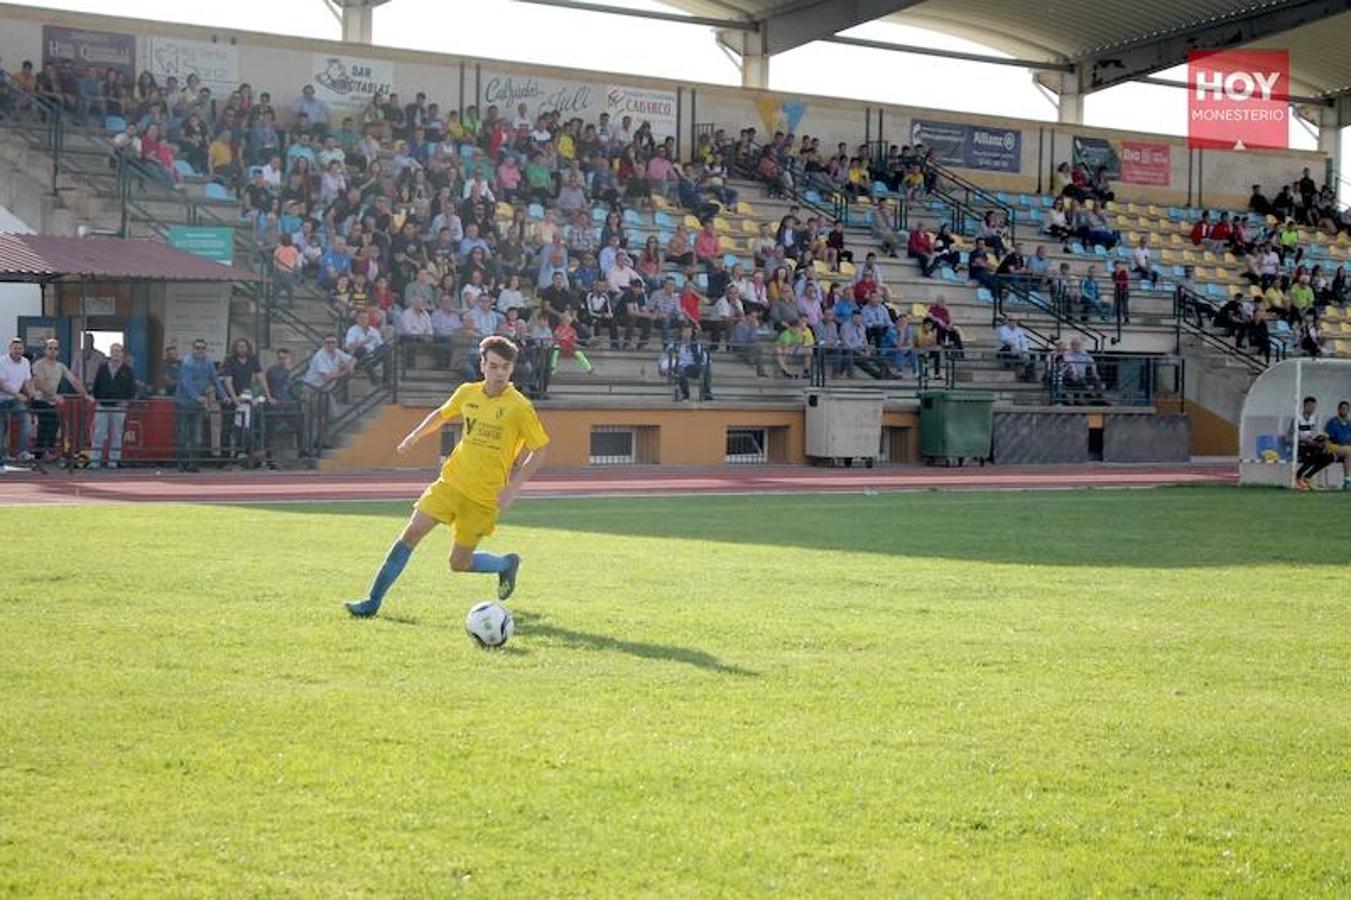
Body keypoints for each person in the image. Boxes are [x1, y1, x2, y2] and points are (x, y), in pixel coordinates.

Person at [344, 336, 549, 618]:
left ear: (512, 369)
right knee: (411, 533)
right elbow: (441, 415)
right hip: (451, 482)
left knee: (458, 563)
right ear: (482, 365)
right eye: (493, 366)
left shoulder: (519, 406)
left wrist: (513, 488)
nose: (499, 372)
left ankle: (505, 564)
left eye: (504, 367)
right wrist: (415, 435)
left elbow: (540, 450)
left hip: (484, 497)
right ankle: (371, 602)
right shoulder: (467, 392)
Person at [173, 339, 221, 472]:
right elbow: (186, 382)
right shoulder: (187, 362)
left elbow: (215, 379)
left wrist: (224, 395)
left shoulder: (209, 362)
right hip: (183, 402)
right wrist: (197, 396)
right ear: (193, 349)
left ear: (206, 349)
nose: (200, 350)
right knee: (182, 434)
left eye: (203, 348)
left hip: (198, 405)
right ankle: (181, 463)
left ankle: (193, 464)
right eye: (197, 347)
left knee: (197, 435)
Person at [89, 343, 136, 470]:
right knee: (98, 434)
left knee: (116, 434)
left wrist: (125, 401)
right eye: (113, 351)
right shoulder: (103, 368)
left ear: (122, 354)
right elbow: (96, 385)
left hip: (119, 407)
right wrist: (98, 399)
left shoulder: (127, 370)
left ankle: (113, 461)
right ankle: (94, 461)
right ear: (110, 353)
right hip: (102, 405)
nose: (116, 354)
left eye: (118, 351)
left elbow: (132, 389)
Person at [0, 337, 34, 467]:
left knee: (27, 419)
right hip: (2, 398)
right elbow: (1, 384)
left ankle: (22, 451)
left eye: (20, 348)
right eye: (15, 348)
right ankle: (2, 457)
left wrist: (32, 393)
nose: (17, 351)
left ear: (23, 350)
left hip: (15, 399)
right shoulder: (2, 361)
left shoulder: (25, 362)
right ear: (10, 349)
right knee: (1, 428)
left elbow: (27, 381)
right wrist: (17, 394)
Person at [670, 323, 713, 401]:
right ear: (681, 333)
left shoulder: (696, 345)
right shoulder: (675, 344)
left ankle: (707, 394)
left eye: (689, 332)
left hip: (693, 366)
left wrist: (703, 362)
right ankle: (685, 395)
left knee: (705, 368)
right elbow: (668, 356)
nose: (687, 334)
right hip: (680, 366)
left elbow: (705, 358)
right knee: (680, 371)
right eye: (685, 332)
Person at [996, 315, 1036, 382]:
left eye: (1015, 320)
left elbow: (1024, 342)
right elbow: (1006, 340)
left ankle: (1029, 375)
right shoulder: (1001, 329)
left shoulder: (1020, 330)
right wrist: (1018, 350)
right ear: (1006, 321)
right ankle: (1014, 367)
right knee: (1009, 347)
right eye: (1011, 320)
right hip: (1005, 350)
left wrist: (1025, 351)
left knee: (1032, 356)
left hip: (1018, 351)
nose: (1013, 322)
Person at [1324, 400, 1351, 489]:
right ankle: (1347, 480)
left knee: (1348, 451)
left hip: (1346, 447)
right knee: (1348, 451)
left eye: (1347, 409)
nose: (1345, 411)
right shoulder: (1332, 422)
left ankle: (1347, 480)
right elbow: (1327, 438)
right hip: (1335, 447)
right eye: (1343, 409)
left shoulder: (1349, 423)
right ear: (1338, 410)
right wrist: (1328, 448)